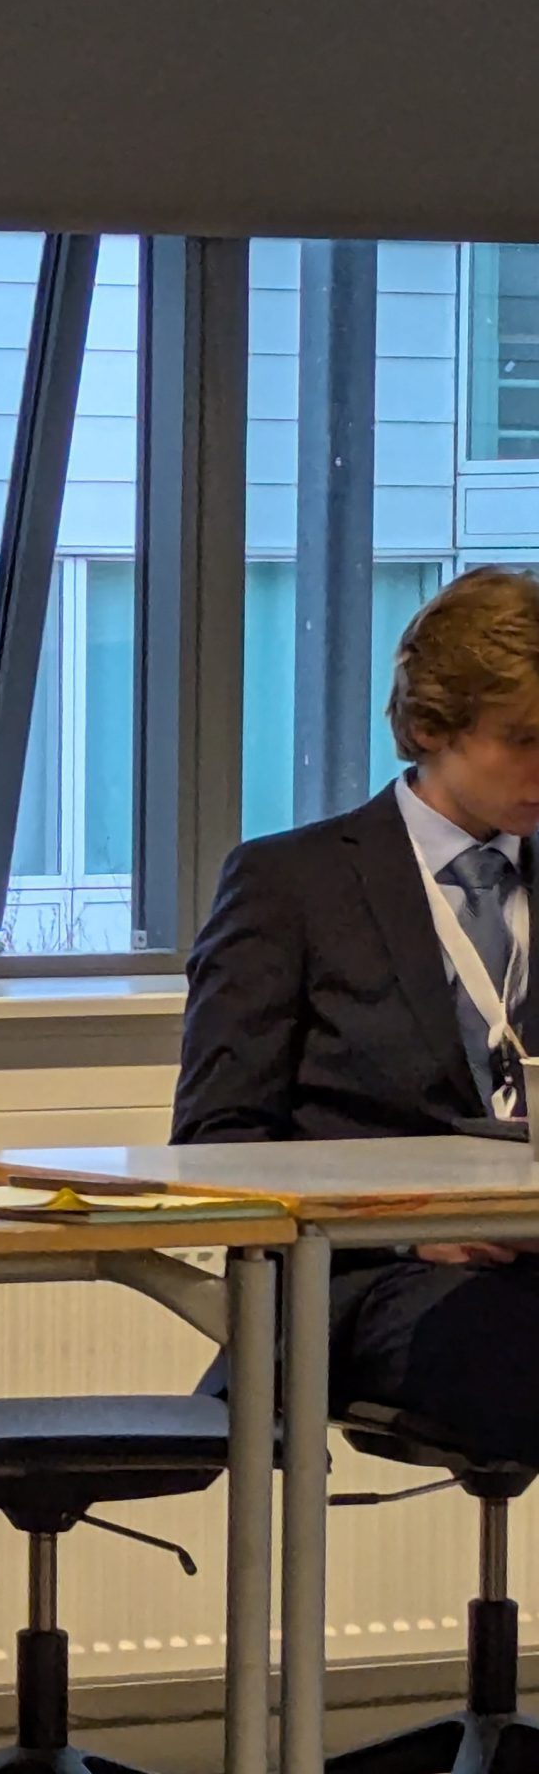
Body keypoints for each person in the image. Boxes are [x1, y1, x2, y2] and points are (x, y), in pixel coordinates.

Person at [174, 564, 539, 1451]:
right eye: (523, 739)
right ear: (431, 727)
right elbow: (217, 1144)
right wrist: (412, 1234)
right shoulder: (292, 884)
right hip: (372, 1273)